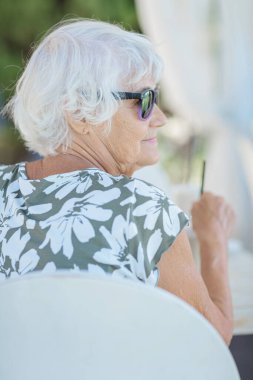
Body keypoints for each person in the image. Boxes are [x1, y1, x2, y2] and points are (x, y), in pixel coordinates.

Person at [0, 19, 235, 344]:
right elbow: (212, 338)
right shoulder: (144, 212)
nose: (161, 117)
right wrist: (213, 239)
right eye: (145, 100)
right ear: (80, 113)